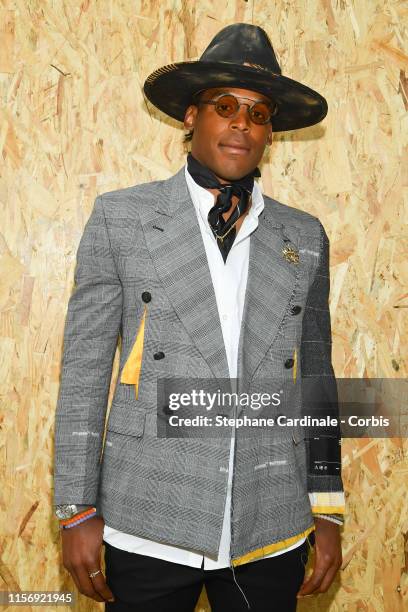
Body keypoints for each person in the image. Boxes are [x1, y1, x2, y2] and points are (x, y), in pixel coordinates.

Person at [54, 23, 345, 612]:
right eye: (224, 106)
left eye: (258, 113)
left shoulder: (303, 235)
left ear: (271, 132)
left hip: (270, 520)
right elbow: (85, 371)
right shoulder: (122, 218)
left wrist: (327, 505)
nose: (242, 122)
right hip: (147, 513)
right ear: (192, 116)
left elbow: (318, 379)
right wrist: (75, 507)